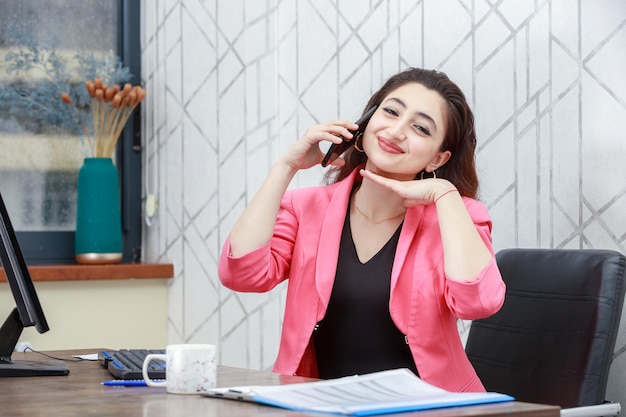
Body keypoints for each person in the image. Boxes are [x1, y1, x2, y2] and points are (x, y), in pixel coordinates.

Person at [218, 67, 506, 393]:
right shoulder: (307, 208)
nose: (396, 131)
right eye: (391, 111)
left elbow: (478, 303)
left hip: (432, 409)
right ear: (366, 121)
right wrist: (286, 167)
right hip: (322, 406)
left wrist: (444, 195)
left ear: (437, 159)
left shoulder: (458, 216)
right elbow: (241, 273)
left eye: (420, 128)